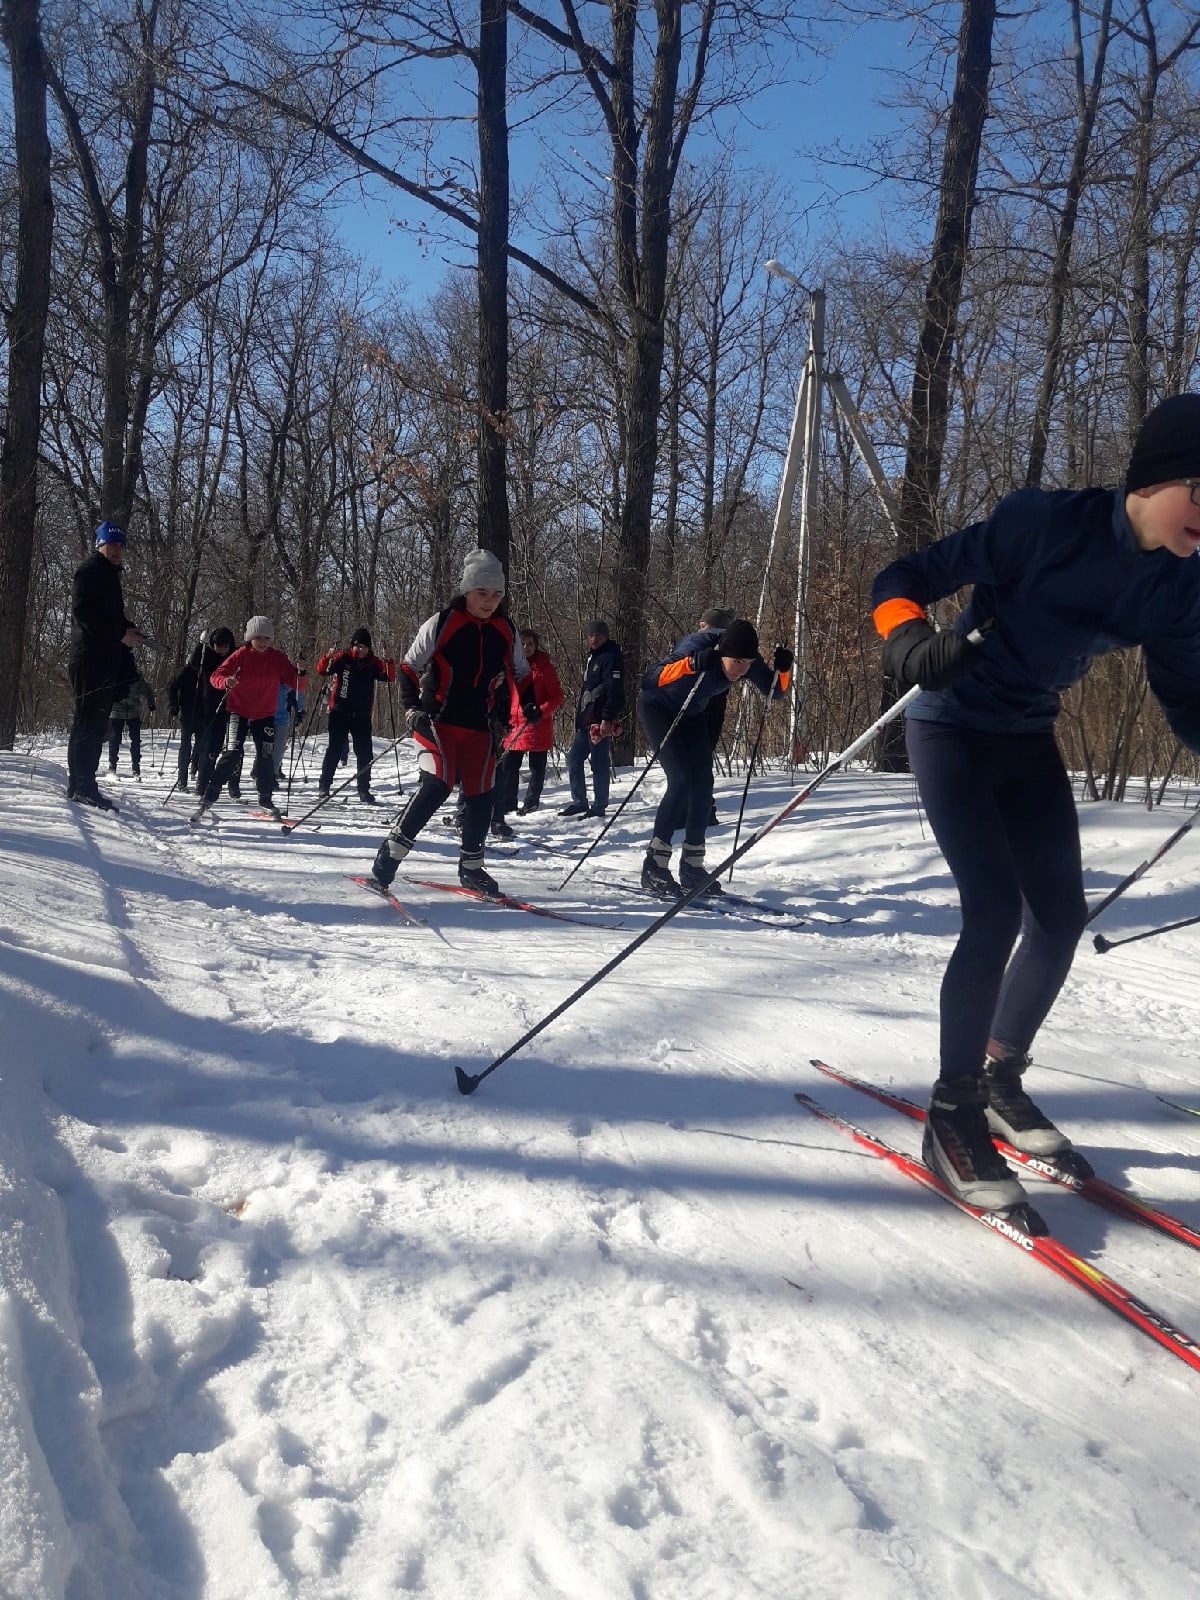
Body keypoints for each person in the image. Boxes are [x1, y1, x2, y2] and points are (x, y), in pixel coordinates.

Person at [871, 391, 1200, 1219]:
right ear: (1156, 478)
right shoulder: (1042, 523)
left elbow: (1184, 694)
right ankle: (950, 1115)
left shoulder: (1181, 588)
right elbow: (901, 577)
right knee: (993, 912)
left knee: (1059, 915)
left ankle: (997, 1077)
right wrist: (909, 638)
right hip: (949, 726)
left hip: (1026, 737)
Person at [369, 549, 541, 896]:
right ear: (467, 590)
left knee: (482, 792)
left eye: (497, 594)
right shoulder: (444, 621)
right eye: (482, 592)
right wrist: (411, 708)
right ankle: (388, 859)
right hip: (438, 720)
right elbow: (407, 667)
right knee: (438, 784)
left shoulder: (505, 629)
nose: (489, 601)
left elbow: (522, 672)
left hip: (479, 723)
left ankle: (472, 868)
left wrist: (531, 701)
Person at [637, 618, 791, 896]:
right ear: (723, 653)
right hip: (658, 708)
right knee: (681, 781)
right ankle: (654, 865)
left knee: (703, 786)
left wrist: (784, 669)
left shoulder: (746, 658)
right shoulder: (698, 645)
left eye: (747, 664)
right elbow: (649, 680)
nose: (742, 670)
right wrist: (692, 664)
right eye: (737, 663)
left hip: (692, 712)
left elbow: (775, 692)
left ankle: (692, 867)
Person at [191, 617, 305, 822]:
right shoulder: (240, 655)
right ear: (249, 638)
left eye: (266, 638)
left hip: (265, 714)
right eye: (257, 637)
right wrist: (226, 682)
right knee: (232, 753)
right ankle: (210, 794)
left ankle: (265, 798)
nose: (262, 642)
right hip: (239, 710)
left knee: (266, 756)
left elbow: (298, 685)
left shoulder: (277, 658)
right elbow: (216, 675)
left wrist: (301, 672)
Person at [66, 520, 146, 809]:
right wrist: (119, 633)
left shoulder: (109, 575)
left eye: (120, 545)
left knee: (91, 722)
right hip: (90, 658)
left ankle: (80, 783)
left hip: (103, 658)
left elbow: (110, 616)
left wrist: (129, 628)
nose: (116, 550)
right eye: (111, 544)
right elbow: (83, 613)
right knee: (90, 722)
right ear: (100, 544)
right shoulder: (89, 571)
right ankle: (83, 785)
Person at [490, 627, 565, 837]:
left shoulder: (544, 667)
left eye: (530, 644)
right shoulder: (511, 667)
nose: (526, 648)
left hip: (537, 724)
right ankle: (508, 801)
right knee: (509, 766)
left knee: (537, 766)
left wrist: (541, 712)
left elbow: (557, 697)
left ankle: (532, 802)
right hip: (515, 725)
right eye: (522, 644)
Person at [316, 628, 396, 803]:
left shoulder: (374, 662)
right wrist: (327, 657)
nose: (359, 650)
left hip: (362, 714)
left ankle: (363, 790)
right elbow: (323, 671)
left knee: (364, 753)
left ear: (369, 648)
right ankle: (324, 786)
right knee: (334, 749)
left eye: (363, 647)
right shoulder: (343, 658)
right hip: (339, 711)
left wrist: (389, 660)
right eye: (356, 646)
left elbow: (389, 678)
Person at [561, 619, 624, 817]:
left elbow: (614, 690)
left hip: (600, 721)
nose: (593, 638)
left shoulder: (611, 657)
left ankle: (599, 805)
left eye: (597, 635)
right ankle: (579, 801)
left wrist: (608, 717)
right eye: (590, 635)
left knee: (598, 764)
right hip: (586, 721)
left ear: (605, 636)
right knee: (574, 759)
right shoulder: (593, 658)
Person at [170, 627, 236, 796]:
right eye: (217, 646)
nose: (221, 649)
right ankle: (183, 779)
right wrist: (173, 705)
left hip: (209, 711)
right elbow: (175, 685)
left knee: (205, 747)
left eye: (224, 646)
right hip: (188, 712)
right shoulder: (198, 663)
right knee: (186, 746)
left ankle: (201, 782)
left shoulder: (231, 658)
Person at [106, 670, 156, 778]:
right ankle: (112, 765)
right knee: (114, 739)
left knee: (134, 739)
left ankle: (135, 766)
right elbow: (106, 690)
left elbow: (147, 690)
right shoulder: (114, 673)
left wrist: (151, 703)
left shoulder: (136, 675)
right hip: (116, 711)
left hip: (132, 711)